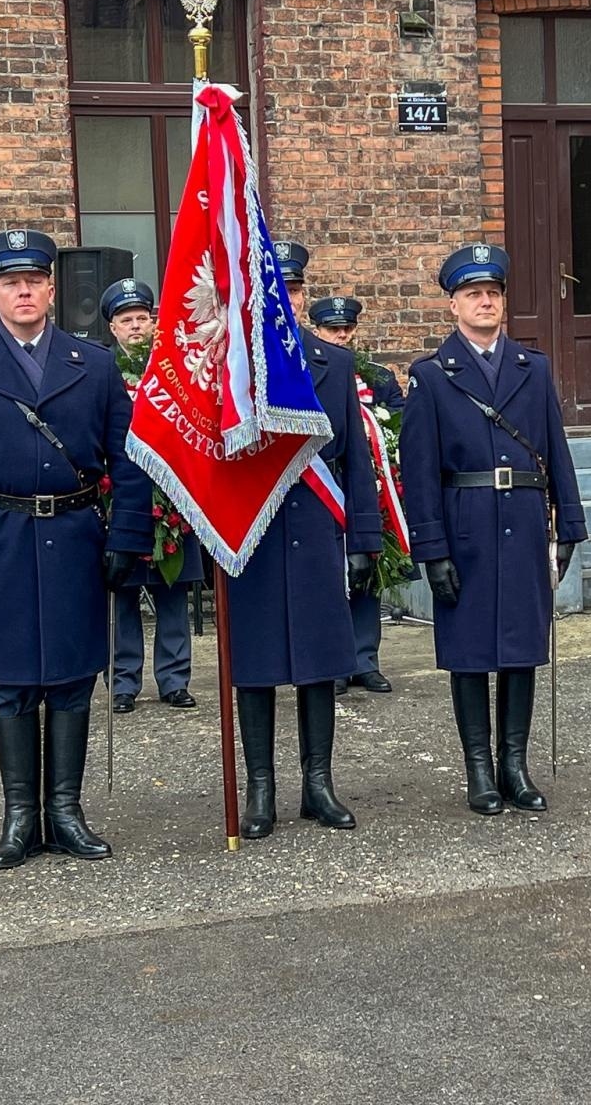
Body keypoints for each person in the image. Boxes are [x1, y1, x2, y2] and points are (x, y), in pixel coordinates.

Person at [0, 229, 153, 870]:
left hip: (77, 535)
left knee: (75, 677)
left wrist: (127, 536)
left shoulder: (93, 365)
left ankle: (68, 813)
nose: (23, 291)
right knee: (15, 683)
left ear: (51, 289)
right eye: (10, 282)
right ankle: (21, 818)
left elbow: (130, 461)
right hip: (2, 538)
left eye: (35, 281)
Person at [400, 243, 587, 814]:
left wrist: (570, 526)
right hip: (467, 527)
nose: (485, 303)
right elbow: (421, 472)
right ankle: (479, 771)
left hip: (526, 522)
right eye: (473, 294)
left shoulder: (534, 369)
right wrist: (431, 550)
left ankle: (515, 766)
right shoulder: (432, 377)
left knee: (520, 649)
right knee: (470, 653)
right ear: (453, 305)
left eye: (493, 294)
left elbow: (555, 448)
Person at [225, 322, 381, 840]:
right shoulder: (230, 361)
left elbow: (355, 458)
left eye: (294, 290)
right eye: (279, 286)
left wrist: (363, 541)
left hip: (318, 526)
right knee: (255, 662)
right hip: (253, 529)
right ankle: (261, 789)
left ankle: (318, 785)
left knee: (319, 660)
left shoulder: (333, 364)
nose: (285, 299)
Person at [100, 277, 200, 714]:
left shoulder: (174, 368)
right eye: (127, 320)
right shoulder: (100, 371)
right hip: (119, 497)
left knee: (172, 590)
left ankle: (174, 680)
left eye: (143, 318)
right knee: (122, 594)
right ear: (113, 328)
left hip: (174, 495)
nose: (136, 326)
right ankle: (123, 683)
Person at [309, 293, 403, 696]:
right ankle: (335, 663)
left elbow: (400, 421)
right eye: (333, 329)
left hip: (372, 485)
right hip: (324, 483)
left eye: (347, 328)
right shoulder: (309, 371)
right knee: (330, 577)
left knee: (369, 571)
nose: (342, 335)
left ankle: (366, 659)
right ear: (318, 330)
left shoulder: (378, 377)